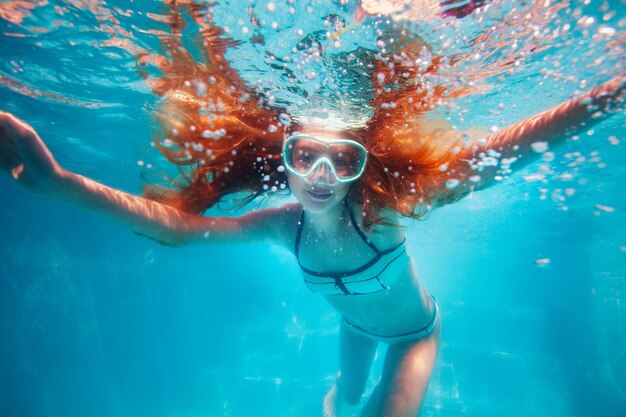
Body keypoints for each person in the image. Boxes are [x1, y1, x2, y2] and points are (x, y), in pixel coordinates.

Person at [0, 8, 624, 417]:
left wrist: (606, 96)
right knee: (344, 397)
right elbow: (182, 232)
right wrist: (62, 185)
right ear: (286, 162)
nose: (323, 177)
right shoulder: (281, 226)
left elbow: (503, 150)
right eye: (307, 156)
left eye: (342, 160)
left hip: (414, 335)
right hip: (355, 329)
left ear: (362, 165)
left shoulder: (380, 213)